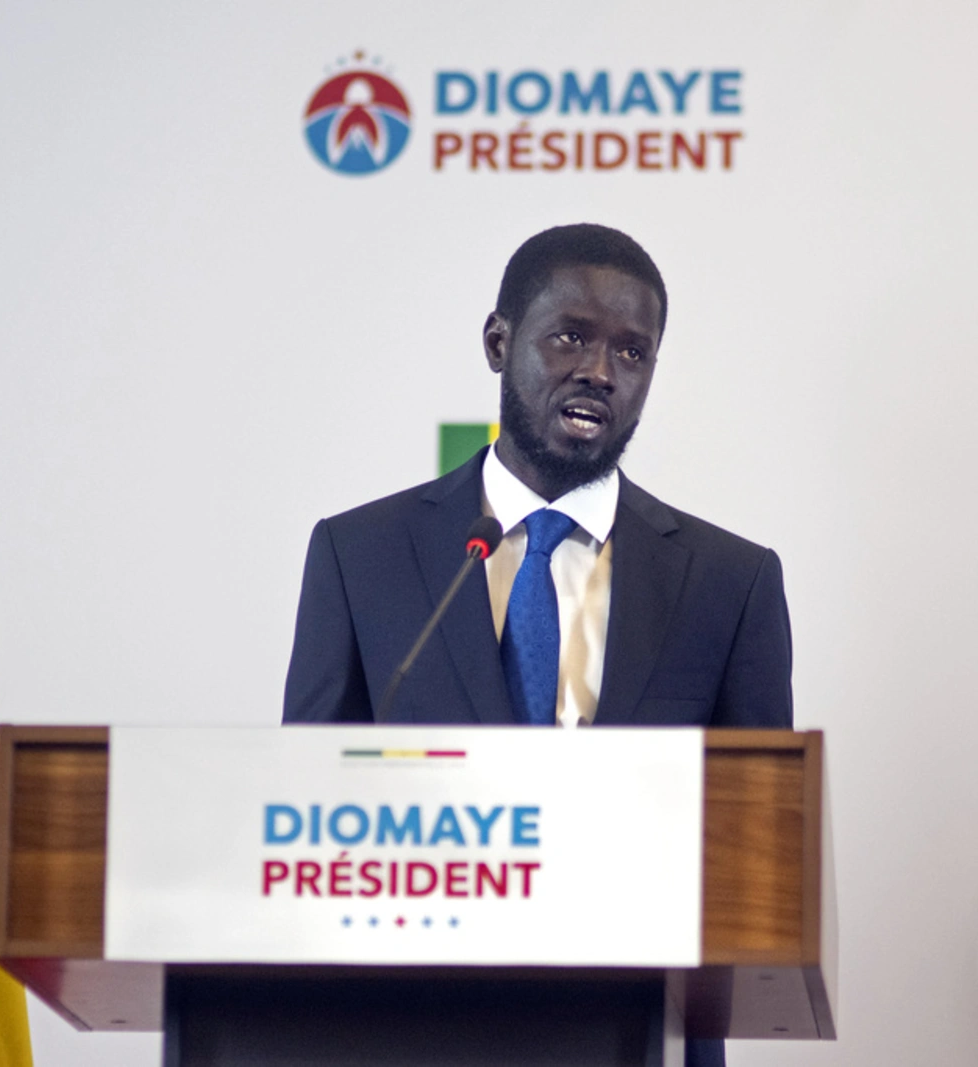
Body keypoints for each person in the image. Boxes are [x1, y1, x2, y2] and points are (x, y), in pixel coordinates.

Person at [282, 224, 792, 1067]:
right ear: (498, 342)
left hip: (635, 1031)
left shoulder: (729, 583)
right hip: (407, 1032)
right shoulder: (361, 555)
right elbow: (305, 817)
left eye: (632, 351)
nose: (601, 371)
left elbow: (756, 851)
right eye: (571, 337)